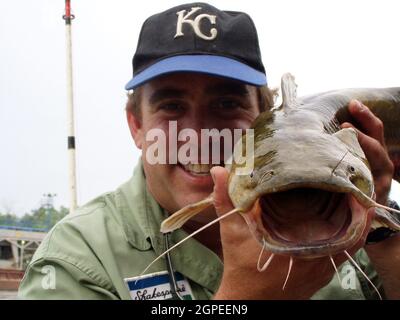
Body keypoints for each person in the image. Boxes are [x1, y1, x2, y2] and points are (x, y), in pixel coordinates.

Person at [19, 2, 399, 300]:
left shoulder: (338, 209)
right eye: (171, 106)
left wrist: (381, 228)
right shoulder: (78, 258)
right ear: (136, 126)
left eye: (226, 104)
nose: (199, 133)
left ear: (264, 122)